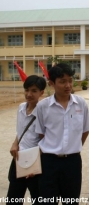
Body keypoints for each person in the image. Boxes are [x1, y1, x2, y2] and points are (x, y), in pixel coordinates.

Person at [35, 63, 89, 205]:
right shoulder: (43, 106)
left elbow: (85, 130)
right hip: (49, 162)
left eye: (70, 80)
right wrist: (54, 146)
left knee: (71, 201)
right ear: (51, 83)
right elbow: (41, 133)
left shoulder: (81, 103)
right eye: (62, 81)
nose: (68, 85)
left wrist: (72, 147)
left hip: (72, 163)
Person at [7, 75, 46, 205]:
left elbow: (46, 140)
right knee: (13, 198)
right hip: (18, 159)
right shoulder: (21, 108)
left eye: (34, 91)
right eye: (26, 90)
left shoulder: (44, 112)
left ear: (42, 92)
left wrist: (34, 163)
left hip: (35, 161)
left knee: (38, 198)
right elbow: (20, 131)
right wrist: (14, 143)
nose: (29, 94)